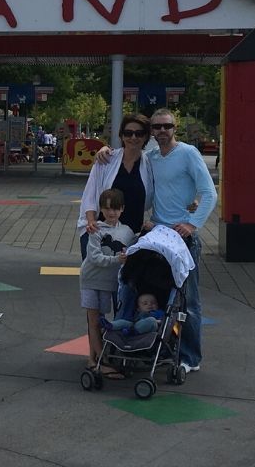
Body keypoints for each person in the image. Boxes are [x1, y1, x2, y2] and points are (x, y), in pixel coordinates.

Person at [111, 108, 217, 374]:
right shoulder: (151, 157)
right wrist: (104, 153)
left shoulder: (189, 153)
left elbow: (209, 193)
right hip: (157, 234)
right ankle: (135, 342)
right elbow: (145, 189)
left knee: (188, 301)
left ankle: (190, 357)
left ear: (175, 127)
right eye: (156, 127)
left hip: (182, 238)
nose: (161, 131)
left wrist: (192, 224)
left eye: (166, 126)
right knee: (139, 287)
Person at [75, 113, 154, 260]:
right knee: (97, 279)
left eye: (139, 133)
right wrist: (91, 222)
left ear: (146, 137)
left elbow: (166, 189)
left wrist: (190, 201)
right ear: (122, 136)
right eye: (128, 133)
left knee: (125, 281)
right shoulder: (106, 159)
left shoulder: (150, 164)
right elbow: (90, 195)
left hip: (132, 236)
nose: (133, 137)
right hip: (100, 232)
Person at [80, 188, 135, 377]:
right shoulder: (95, 229)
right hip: (90, 279)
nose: (111, 213)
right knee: (93, 319)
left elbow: (134, 248)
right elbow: (94, 257)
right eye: (107, 208)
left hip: (109, 283)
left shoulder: (127, 232)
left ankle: (94, 359)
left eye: (115, 209)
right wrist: (116, 261)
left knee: (101, 321)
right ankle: (99, 361)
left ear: (122, 209)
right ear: (101, 210)